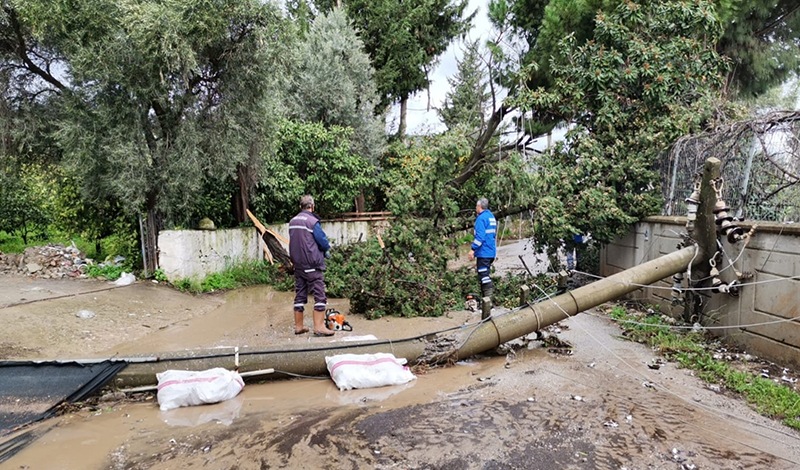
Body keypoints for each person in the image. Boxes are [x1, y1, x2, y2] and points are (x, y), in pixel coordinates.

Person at [289, 195, 335, 336]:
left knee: (300, 295)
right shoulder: (312, 221)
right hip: (312, 265)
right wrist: (326, 249)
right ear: (312, 207)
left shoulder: (292, 221)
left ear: (300, 207)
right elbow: (322, 241)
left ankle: (299, 327)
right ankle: (319, 327)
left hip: (298, 265)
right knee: (320, 296)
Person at [468, 198, 497, 318]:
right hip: (490, 251)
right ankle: (486, 303)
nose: (476, 209)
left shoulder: (481, 218)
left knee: (484, 276)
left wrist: (472, 249)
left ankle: (488, 304)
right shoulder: (491, 216)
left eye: (476, 206)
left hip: (483, 252)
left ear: (479, 207)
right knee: (484, 275)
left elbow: (480, 237)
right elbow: (493, 234)